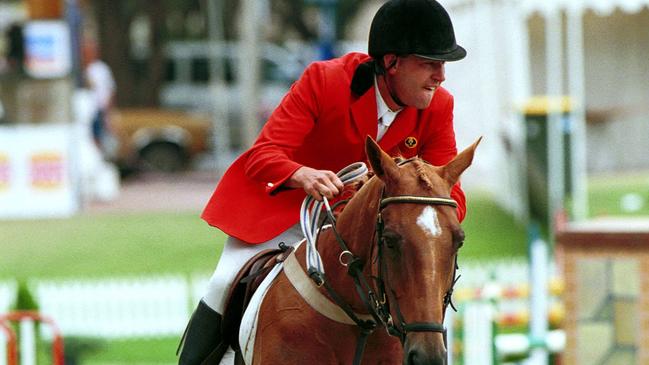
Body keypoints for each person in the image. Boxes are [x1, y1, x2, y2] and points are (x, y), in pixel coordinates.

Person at [177, 0, 468, 363]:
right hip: (287, 214)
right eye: (430, 64)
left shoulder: (438, 106)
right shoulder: (325, 81)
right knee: (225, 281)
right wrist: (303, 174)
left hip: (367, 228)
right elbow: (264, 154)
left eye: (442, 65)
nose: (440, 76)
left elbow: (451, 191)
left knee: (419, 300)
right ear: (392, 62)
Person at [82, 39, 116, 153]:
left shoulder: (101, 68)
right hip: (88, 110)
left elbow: (111, 89)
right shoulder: (83, 69)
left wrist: (109, 107)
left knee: (101, 134)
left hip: (101, 108)